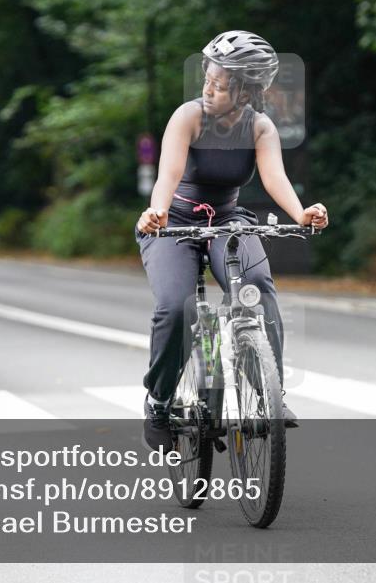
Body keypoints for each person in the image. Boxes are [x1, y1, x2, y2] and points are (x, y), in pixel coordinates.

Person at [135, 30, 329, 451]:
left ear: (245, 91)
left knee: (258, 289)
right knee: (176, 306)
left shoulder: (260, 128)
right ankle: (160, 400)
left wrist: (301, 213)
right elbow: (168, 172)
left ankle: (268, 395)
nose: (208, 88)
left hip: (228, 219)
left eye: (219, 84)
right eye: (207, 77)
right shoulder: (188, 117)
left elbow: (273, 176)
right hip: (174, 220)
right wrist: (158, 211)